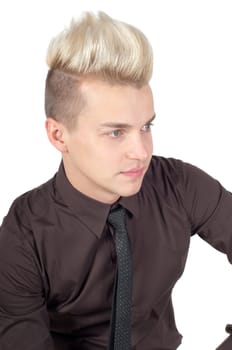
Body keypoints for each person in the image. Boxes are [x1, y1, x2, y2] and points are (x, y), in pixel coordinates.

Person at [0, 11, 231, 350]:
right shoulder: (24, 235)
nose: (141, 152)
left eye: (146, 127)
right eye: (115, 132)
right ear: (58, 135)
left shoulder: (179, 185)